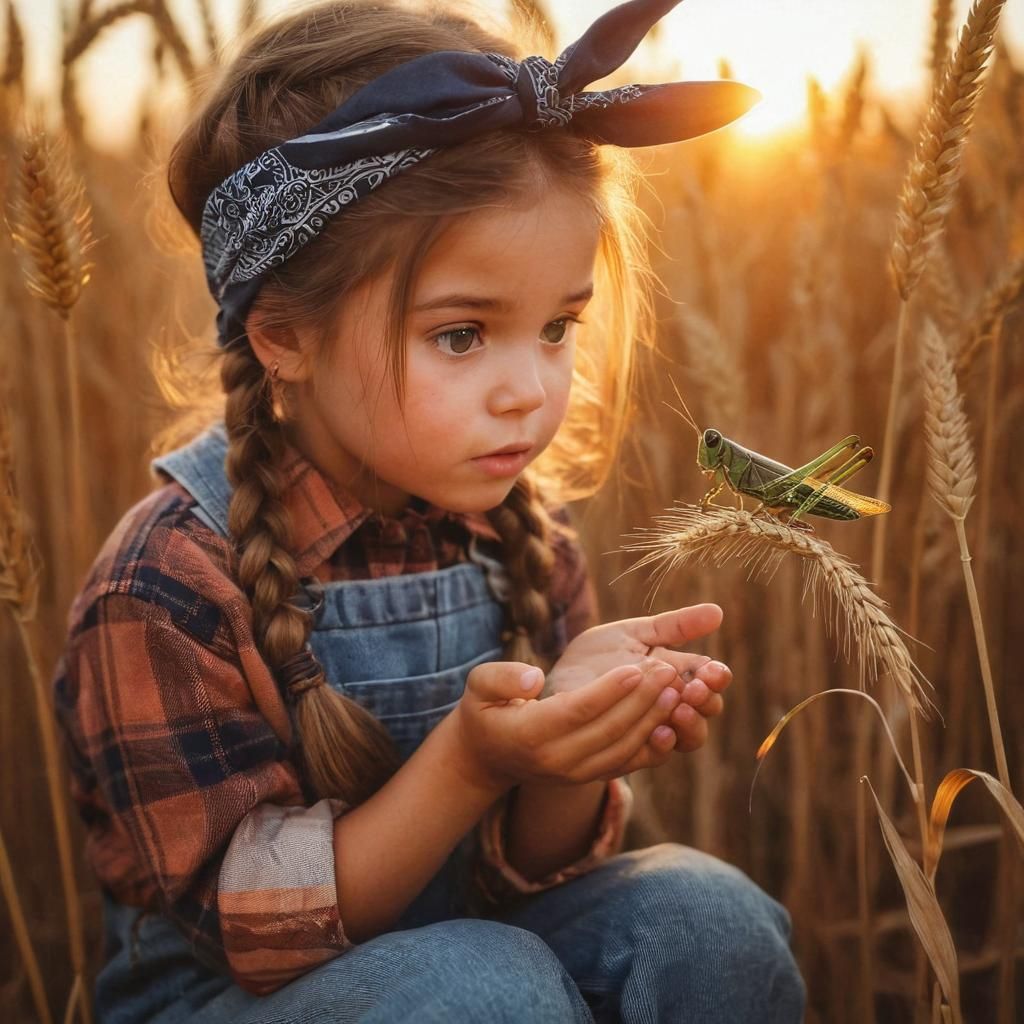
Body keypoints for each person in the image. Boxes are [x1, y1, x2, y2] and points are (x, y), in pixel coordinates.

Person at [52, 0, 806, 1020]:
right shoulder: (169, 583)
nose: (529, 391)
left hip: (486, 970)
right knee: (482, 986)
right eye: (461, 335)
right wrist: (469, 758)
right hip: (236, 998)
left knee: (708, 920)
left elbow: (520, 881)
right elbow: (251, 937)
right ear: (282, 333)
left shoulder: (520, 534)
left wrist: (569, 754)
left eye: (555, 327)